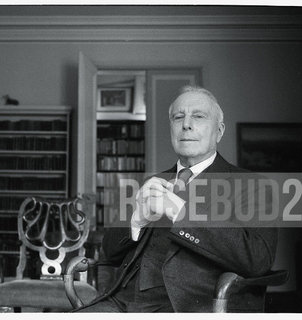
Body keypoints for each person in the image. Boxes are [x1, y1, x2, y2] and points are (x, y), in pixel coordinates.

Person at [75, 86, 278, 312]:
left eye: (198, 116)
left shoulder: (254, 185)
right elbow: (110, 251)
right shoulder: (152, 182)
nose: (186, 124)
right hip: (121, 301)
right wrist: (136, 221)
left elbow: (258, 259)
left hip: (186, 307)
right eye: (178, 117)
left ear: (219, 131)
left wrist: (181, 213)